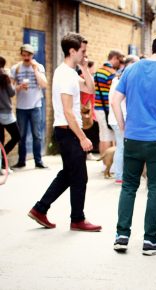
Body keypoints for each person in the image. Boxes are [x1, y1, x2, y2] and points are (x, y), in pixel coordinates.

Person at [112, 35, 156, 255]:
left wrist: (123, 127)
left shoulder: (131, 69)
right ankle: (150, 241)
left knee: (128, 186)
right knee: (155, 188)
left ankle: (122, 236)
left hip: (133, 137)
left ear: (153, 49)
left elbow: (115, 100)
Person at [27, 32, 101, 232]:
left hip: (68, 131)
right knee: (78, 176)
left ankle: (40, 209)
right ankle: (77, 219)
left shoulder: (69, 73)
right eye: (82, 52)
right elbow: (68, 111)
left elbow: (90, 89)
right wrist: (83, 137)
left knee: (69, 174)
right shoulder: (65, 75)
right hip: (68, 132)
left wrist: (85, 68)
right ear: (72, 51)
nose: (85, 55)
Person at [11, 44, 48, 169]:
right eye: (24, 55)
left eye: (29, 55)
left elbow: (44, 85)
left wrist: (36, 70)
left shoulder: (39, 67)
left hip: (35, 106)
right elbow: (11, 90)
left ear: (33, 55)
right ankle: (21, 161)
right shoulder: (15, 68)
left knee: (36, 134)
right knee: (21, 135)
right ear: (21, 55)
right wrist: (19, 87)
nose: (26, 57)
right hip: (21, 107)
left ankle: (38, 161)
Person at [108, 55, 139, 184]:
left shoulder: (118, 79)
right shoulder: (123, 80)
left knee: (121, 147)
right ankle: (120, 176)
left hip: (117, 118)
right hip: (119, 118)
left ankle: (120, 174)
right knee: (122, 147)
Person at [94, 50, 124, 164]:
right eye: (119, 60)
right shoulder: (111, 74)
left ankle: (104, 164)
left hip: (97, 106)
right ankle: (108, 164)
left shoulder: (98, 71)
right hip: (106, 109)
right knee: (109, 137)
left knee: (103, 136)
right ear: (115, 58)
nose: (120, 63)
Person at [0, 56, 20, 171]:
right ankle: (3, 160)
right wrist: (11, 82)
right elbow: (12, 93)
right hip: (6, 113)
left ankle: (1, 164)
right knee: (16, 136)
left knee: (0, 141)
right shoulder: (4, 77)